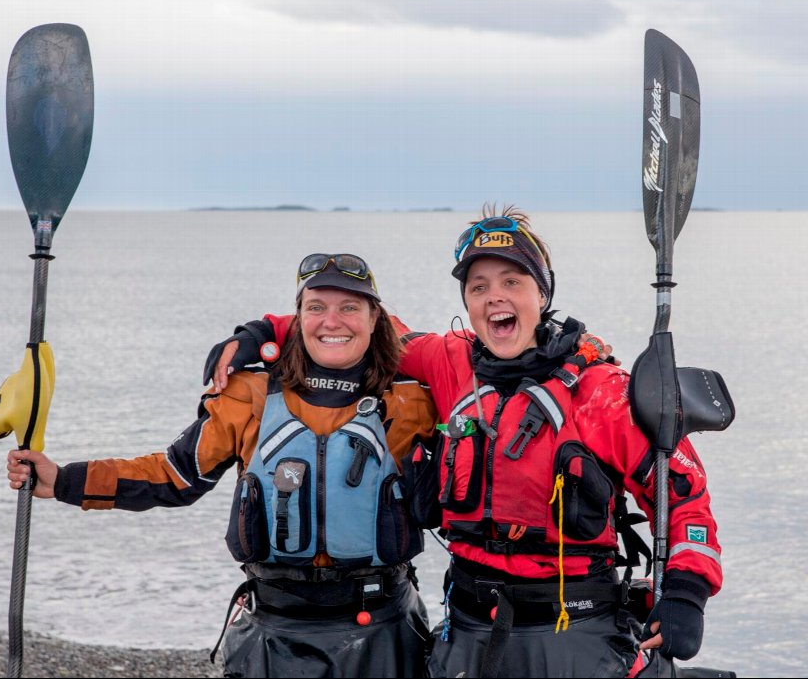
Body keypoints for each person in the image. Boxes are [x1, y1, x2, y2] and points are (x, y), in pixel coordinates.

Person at [208, 206, 722, 677]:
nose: (494, 296)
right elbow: (357, 327)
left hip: (575, 631)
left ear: (541, 294)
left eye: (511, 281)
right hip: (470, 628)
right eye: (478, 287)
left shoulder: (601, 391)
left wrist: (686, 592)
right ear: (468, 304)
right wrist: (264, 330)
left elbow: (685, 497)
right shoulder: (448, 361)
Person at [5, 253, 438, 678]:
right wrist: (64, 480)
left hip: (384, 625)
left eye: (350, 307)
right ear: (299, 317)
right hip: (273, 627)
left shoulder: (413, 399)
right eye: (316, 307)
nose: (332, 321)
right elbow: (173, 476)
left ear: (374, 317)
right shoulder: (249, 394)